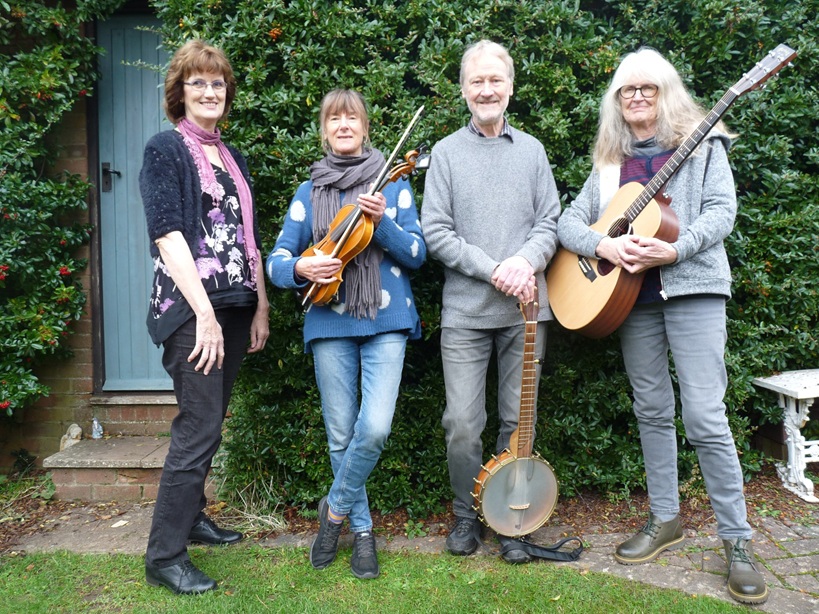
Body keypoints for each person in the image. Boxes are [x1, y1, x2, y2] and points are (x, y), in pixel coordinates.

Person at [555, 47, 767, 604]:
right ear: (617, 102)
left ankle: (737, 541)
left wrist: (675, 250)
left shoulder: (704, 144)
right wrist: (603, 245)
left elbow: (721, 211)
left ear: (666, 92)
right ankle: (665, 518)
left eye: (647, 87)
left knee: (705, 415)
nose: (637, 97)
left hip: (693, 288)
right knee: (650, 409)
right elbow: (567, 223)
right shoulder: (610, 164)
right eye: (627, 90)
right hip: (632, 301)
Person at [266, 89, 426, 579]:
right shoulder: (308, 191)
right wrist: (301, 268)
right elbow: (276, 261)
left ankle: (332, 513)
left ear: (364, 128)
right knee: (340, 434)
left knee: (373, 428)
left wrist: (380, 224)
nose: (343, 125)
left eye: (351, 118)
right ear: (324, 130)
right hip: (328, 320)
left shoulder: (393, 184)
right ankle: (362, 532)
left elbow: (417, 253)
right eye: (334, 118)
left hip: (386, 321)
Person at [421, 40, 561, 564]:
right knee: (462, 423)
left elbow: (550, 221)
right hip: (465, 313)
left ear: (510, 87)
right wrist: (494, 268)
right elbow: (436, 231)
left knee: (518, 423)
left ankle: (510, 519)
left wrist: (523, 261)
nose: (486, 90)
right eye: (476, 81)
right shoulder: (446, 153)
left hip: (527, 312)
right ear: (463, 90)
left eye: (495, 80)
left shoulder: (532, 151)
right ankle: (467, 514)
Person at [139, 40, 269, 595]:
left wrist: (260, 304)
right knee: (197, 429)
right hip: (192, 312)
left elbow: (247, 238)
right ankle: (164, 557)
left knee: (210, 424)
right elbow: (168, 236)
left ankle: (191, 518)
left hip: (235, 307)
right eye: (199, 83)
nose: (210, 91)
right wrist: (206, 316)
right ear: (181, 92)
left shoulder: (231, 157)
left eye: (218, 83)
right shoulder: (165, 150)